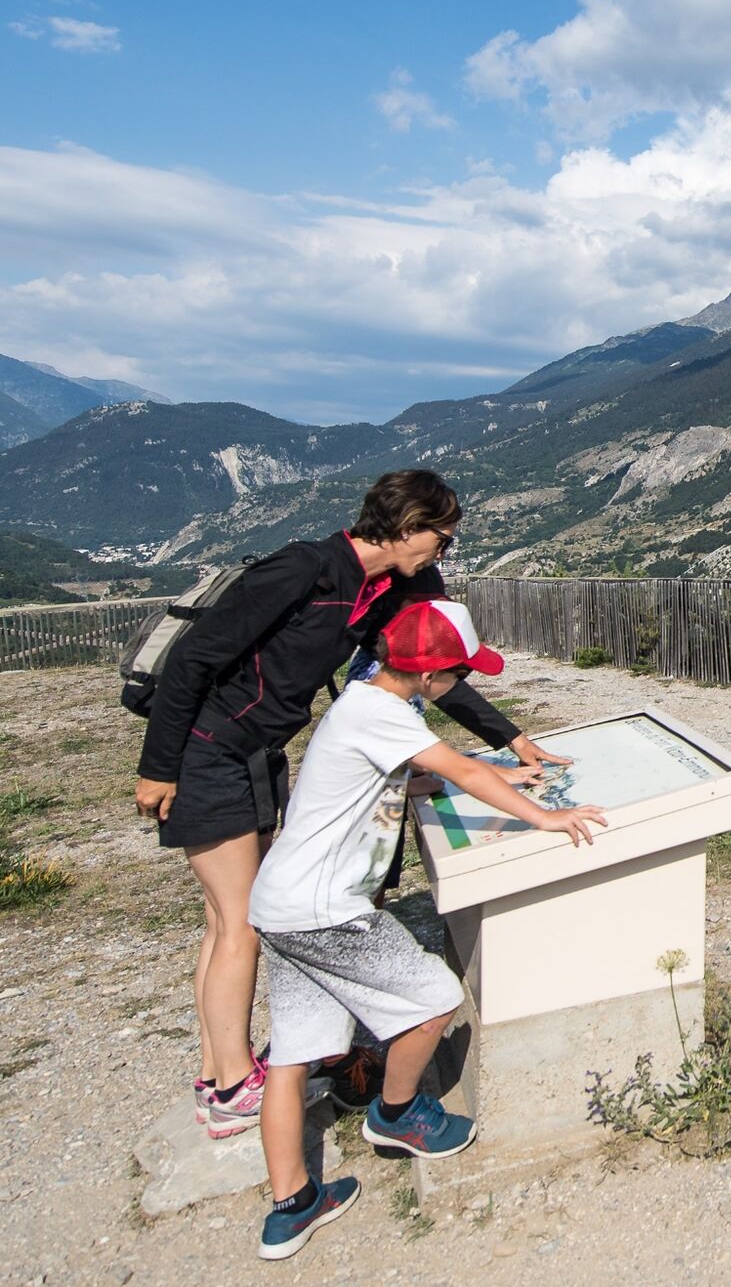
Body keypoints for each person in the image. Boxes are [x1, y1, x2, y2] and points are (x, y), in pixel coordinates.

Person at [132, 469, 568, 1138]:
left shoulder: (382, 590)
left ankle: (230, 1072)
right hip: (210, 752)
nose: (443, 553)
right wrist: (160, 767)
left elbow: (434, 670)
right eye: (443, 539)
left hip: (258, 754)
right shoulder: (305, 570)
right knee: (239, 921)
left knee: (230, 920)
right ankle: (231, 1085)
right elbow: (195, 659)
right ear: (407, 526)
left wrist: (510, 737)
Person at [248, 597, 605, 1258]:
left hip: (279, 905)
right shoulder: (383, 713)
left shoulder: (361, 705)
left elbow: (410, 775)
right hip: (327, 910)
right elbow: (457, 768)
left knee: (294, 1052)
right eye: (458, 673)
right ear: (431, 673)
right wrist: (546, 817)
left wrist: (503, 772)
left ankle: (291, 1205)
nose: (459, 684)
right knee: (435, 998)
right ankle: (396, 1113)